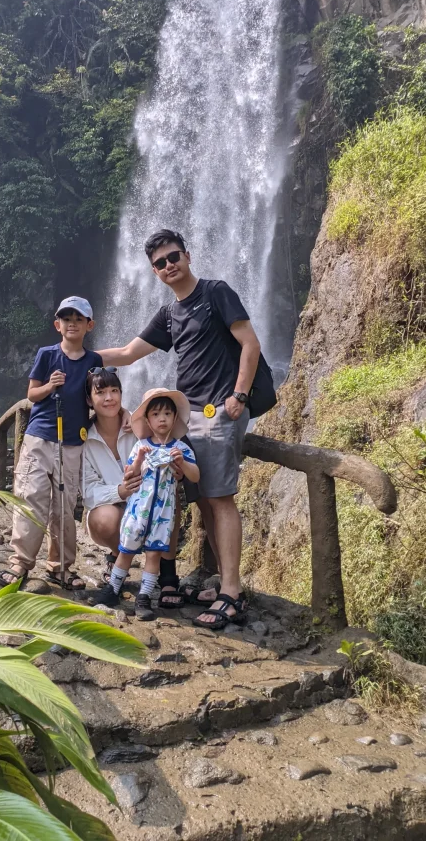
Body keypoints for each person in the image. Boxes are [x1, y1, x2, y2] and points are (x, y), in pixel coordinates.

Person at [98, 229, 261, 631]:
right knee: (205, 501)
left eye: (173, 258)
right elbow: (127, 354)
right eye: (160, 263)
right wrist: (73, 353)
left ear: (187, 256)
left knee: (220, 500)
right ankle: (223, 583)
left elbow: (250, 344)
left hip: (219, 411)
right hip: (188, 419)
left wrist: (238, 395)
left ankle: (232, 595)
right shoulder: (170, 315)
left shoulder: (215, 292)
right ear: (154, 272)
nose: (168, 266)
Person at [0, 296, 101, 591]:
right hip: (40, 437)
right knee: (31, 497)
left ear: (88, 325)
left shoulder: (93, 361)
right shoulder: (47, 354)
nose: (72, 323)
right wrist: (50, 385)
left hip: (72, 442)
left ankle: (61, 566)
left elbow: (97, 395)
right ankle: (20, 562)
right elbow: (32, 394)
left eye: (78, 319)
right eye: (66, 319)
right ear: (58, 325)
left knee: (65, 507)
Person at [82, 367, 184, 607]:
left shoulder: (140, 429)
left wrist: (177, 468)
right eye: (101, 392)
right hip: (116, 508)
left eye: (115, 391)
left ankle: (167, 570)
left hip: (150, 502)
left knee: (170, 498)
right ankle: (118, 557)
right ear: (89, 399)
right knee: (104, 518)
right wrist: (120, 491)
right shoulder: (84, 439)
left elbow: (164, 439)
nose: (109, 398)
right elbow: (87, 491)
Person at [94, 388, 199, 620]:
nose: (162, 418)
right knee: (125, 550)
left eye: (167, 414)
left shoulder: (180, 449)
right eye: (156, 414)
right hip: (137, 511)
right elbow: (129, 473)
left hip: (164, 511)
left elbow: (195, 476)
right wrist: (140, 457)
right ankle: (112, 589)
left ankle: (144, 597)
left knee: (153, 555)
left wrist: (182, 464)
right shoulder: (140, 445)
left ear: (174, 419)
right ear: (148, 421)